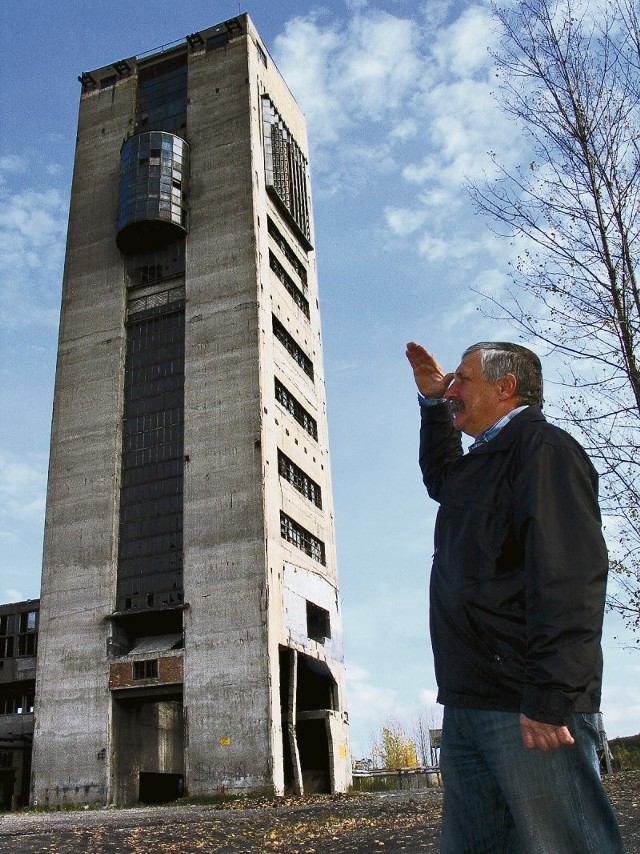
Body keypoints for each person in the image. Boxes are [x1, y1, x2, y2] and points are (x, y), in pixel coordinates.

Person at [405, 340, 625, 853]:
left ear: (506, 388)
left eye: (463, 380)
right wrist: (435, 406)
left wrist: (552, 696)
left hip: (527, 703)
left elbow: (569, 578)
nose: (452, 388)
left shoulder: (543, 451)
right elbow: (442, 478)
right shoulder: (482, 463)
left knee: (565, 844)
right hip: (469, 697)